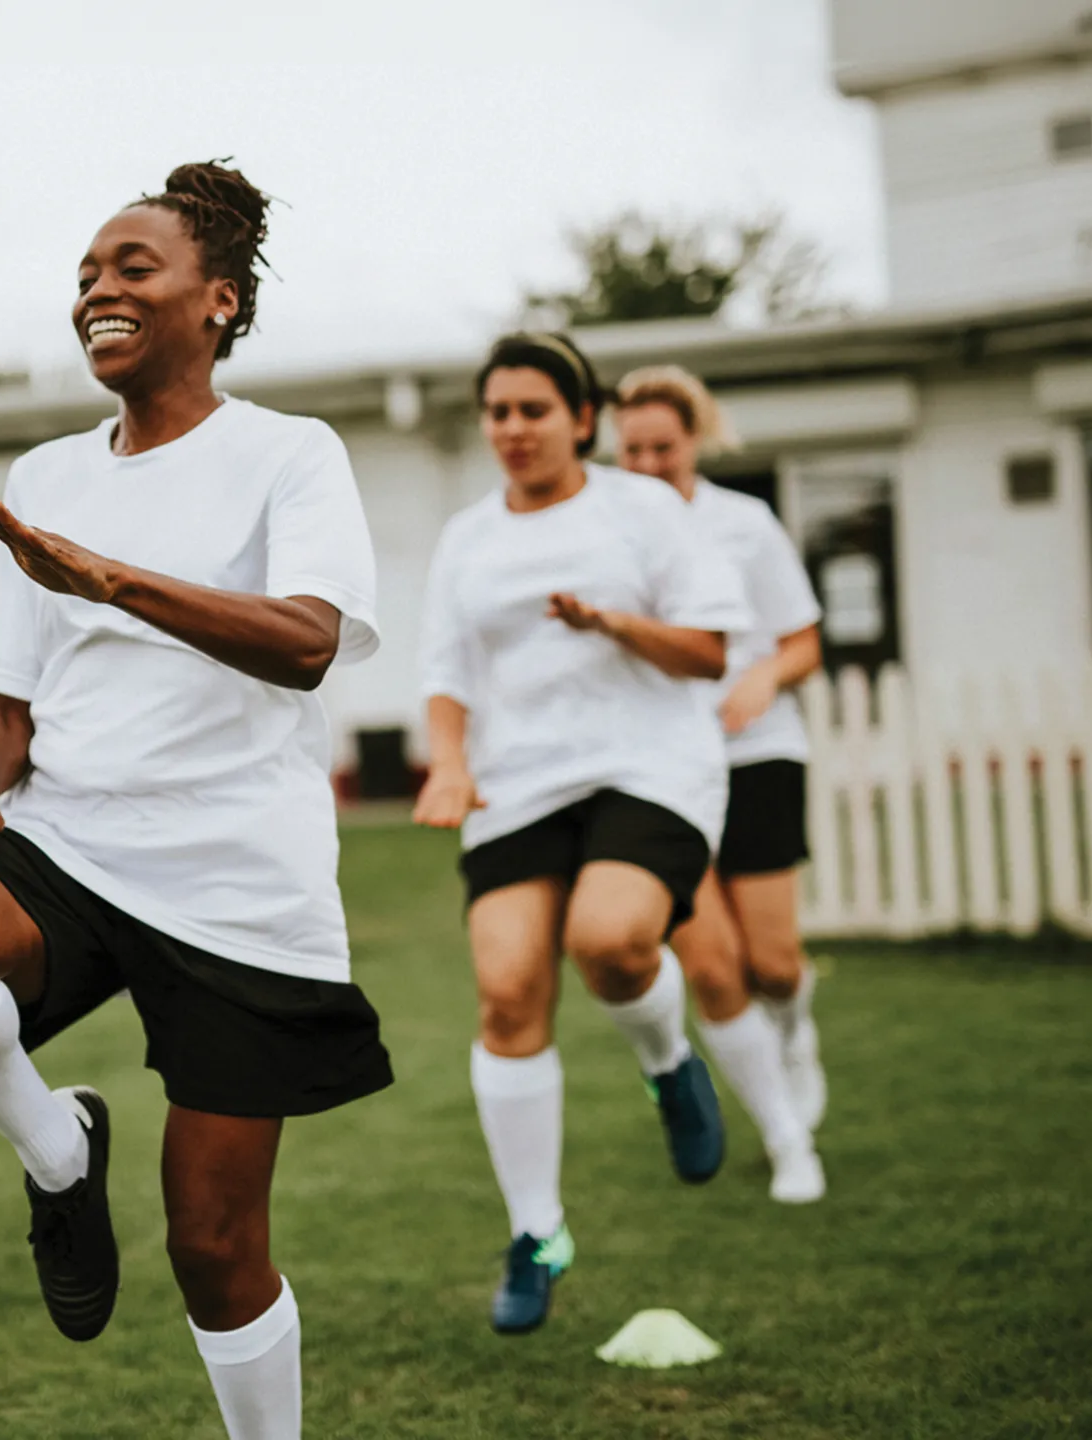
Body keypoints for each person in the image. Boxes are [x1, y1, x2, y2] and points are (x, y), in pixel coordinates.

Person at [0, 161, 390, 1440]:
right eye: (86, 275)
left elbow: (309, 639)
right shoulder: (42, 477)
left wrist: (113, 580)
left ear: (220, 301)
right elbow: (10, 709)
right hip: (74, 843)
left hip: (237, 882)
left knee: (211, 1246)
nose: (99, 290)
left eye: (131, 269)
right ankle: (56, 1152)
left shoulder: (289, 455)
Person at [413, 331, 750, 1336]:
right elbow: (443, 673)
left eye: (533, 410)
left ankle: (666, 1062)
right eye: (498, 412)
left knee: (608, 942)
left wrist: (610, 624)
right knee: (508, 989)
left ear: (581, 419)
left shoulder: (642, 509)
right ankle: (537, 1234)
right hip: (519, 785)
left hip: (648, 765)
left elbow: (706, 651)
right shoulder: (466, 537)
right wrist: (450, 762)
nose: (512, 430)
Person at [616, 365, 828, 1204]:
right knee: (714, 966)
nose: (647, 463)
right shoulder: (604, 533)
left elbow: (803, 639)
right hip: (661, 770)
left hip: (758, 753)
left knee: (773, 963)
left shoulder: (746, 525)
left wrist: (766, 678)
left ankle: (796, 1030)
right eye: (630, 450)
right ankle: (786, 1140)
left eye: (662, 447)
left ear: (694, 440)